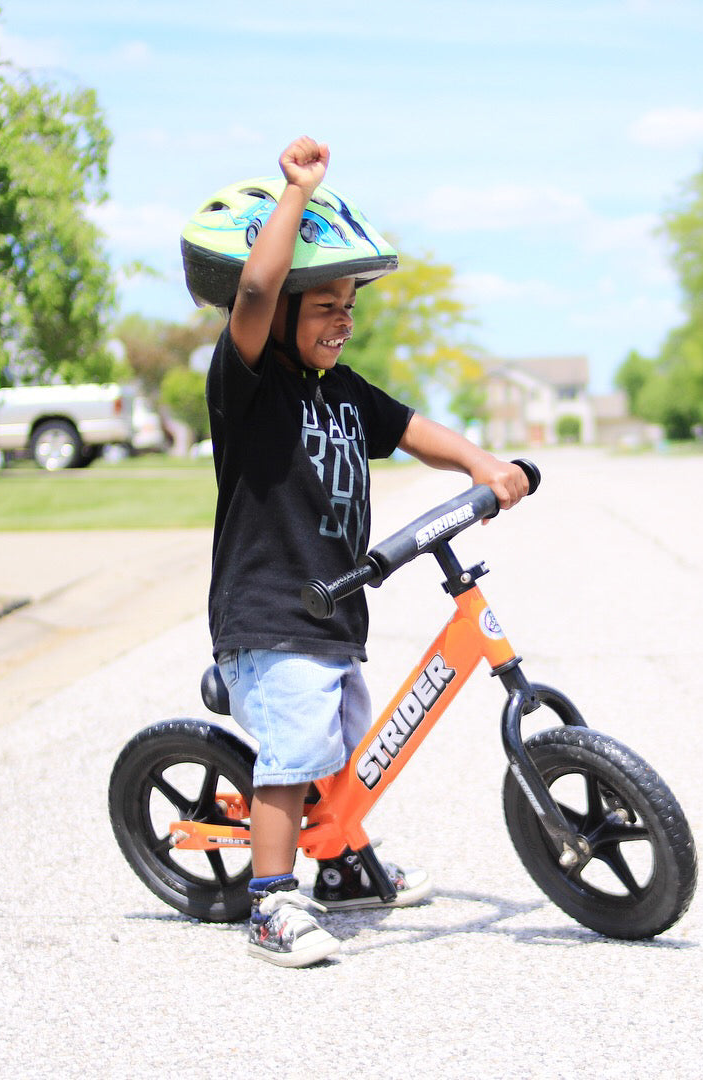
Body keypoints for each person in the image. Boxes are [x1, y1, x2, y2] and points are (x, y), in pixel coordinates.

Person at [196, 136, 528, 967]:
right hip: (271, 609)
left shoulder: (344, 393)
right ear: (279, 319)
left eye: (351, 304)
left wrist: (483, 463)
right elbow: (260, 284)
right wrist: (297, 195)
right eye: (325, 306)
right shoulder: (250, 386)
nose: (343, 319)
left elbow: (414, 429)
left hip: (334, 608)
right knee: (296, 751)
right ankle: (271, 906)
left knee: (339, 745)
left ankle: (337, 861)